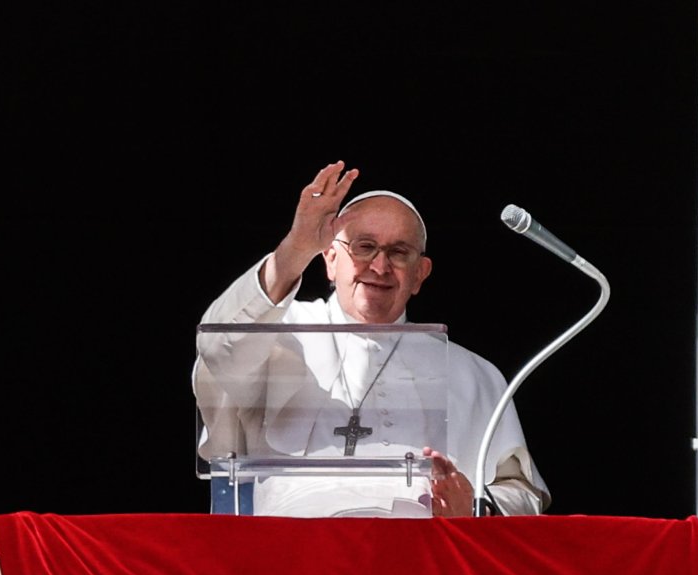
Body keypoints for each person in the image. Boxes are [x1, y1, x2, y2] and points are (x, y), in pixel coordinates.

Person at [192, 160, 549, 517]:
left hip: (418, 560)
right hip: (295, 555)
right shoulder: (279, 333)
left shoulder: (473, 373)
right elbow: (217, 346)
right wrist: (295, 250)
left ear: (420, 274)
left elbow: (523, 495)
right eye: (364, 247)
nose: (379, 267)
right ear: (330, 258)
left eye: (398, 252)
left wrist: (475, 508)